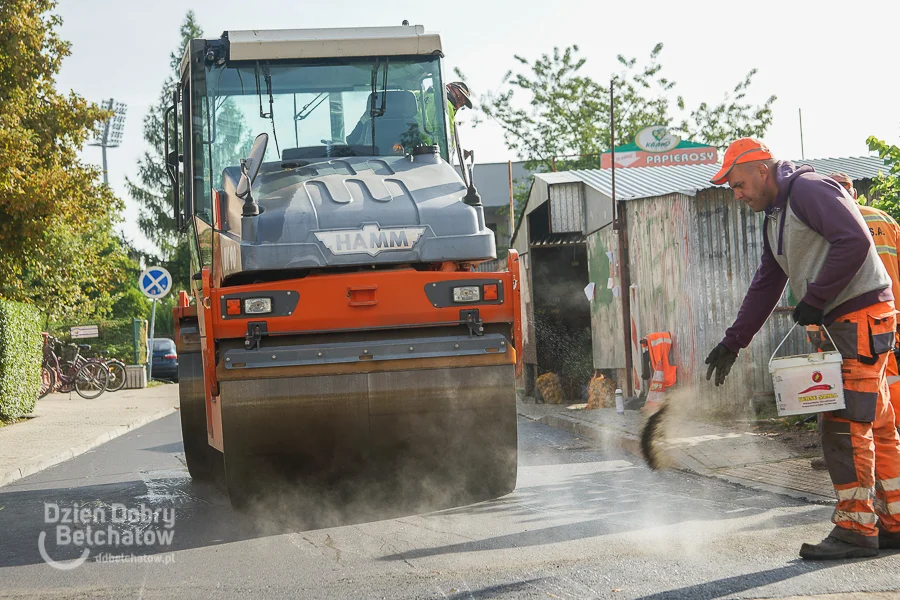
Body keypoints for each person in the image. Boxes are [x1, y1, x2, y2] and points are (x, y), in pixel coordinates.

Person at [704, 138, 900, 560]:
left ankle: (855, 528)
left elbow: (854, 240)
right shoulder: (774, 217)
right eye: (732, 190)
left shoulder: (809, 191)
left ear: (762, 170)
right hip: (856, 320)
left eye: (739, 185)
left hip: (858, 318)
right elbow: (767, 283)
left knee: (843, 424)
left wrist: (816, 296)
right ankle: (893, 522)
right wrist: (733, 341)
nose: (737, 196)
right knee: (877, 422)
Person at [832, 172, 900, 431]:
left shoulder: (832, 223)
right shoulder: (885, 219)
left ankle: (872, 435)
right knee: (890, 377)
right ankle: (893, 435)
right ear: (854, 193)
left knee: (862, 384)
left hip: (855, 321)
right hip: (892, 314)